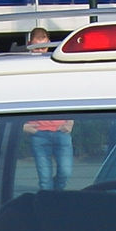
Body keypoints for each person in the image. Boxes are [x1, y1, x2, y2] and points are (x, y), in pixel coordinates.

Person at [23, 27, 74, 190]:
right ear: (29, 44)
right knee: (45, 181)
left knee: (65, 173)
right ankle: (49, 206)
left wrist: (71, 121)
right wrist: (22, 125)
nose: (40, 51)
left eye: (43, 47)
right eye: (36, 47)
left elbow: (71, 94)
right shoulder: (22, 70)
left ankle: (55, 201)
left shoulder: (59, 67)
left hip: (61, 130)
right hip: (38, 133)